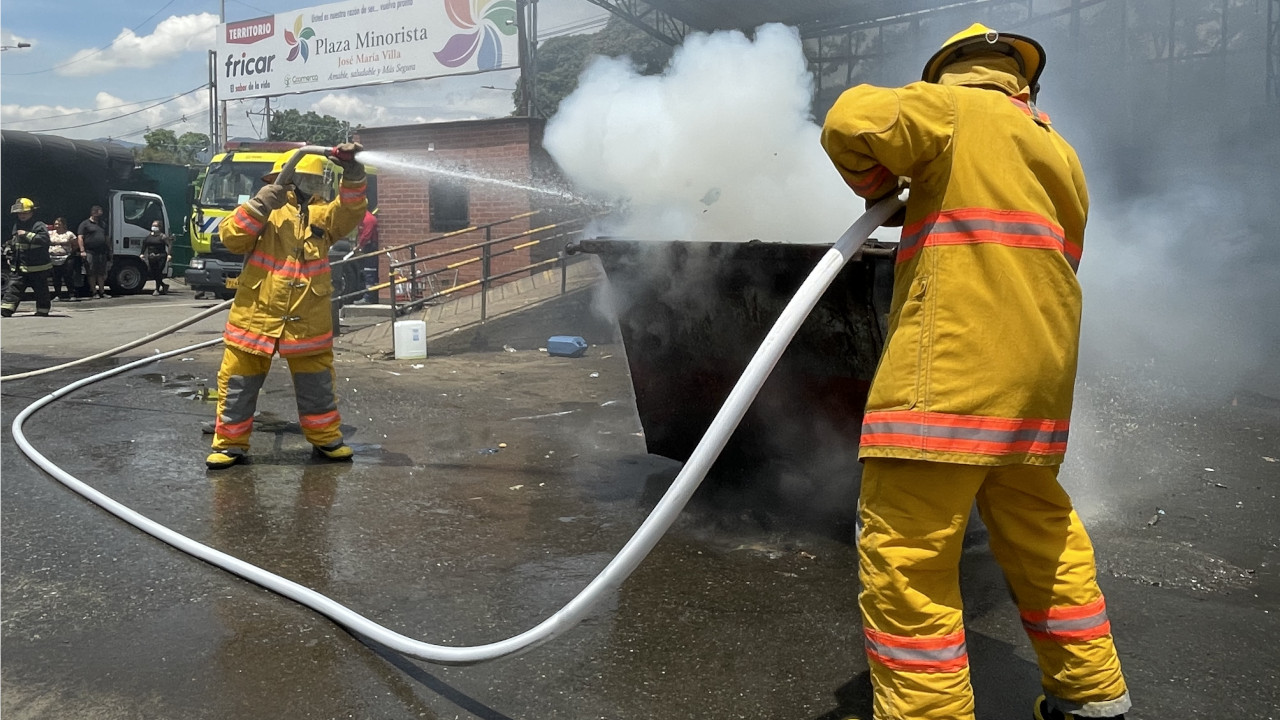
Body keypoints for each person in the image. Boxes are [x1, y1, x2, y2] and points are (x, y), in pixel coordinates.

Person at [820, 23, 1129, 720]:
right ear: (1024, 83)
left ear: (947, 74)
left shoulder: (951, 110)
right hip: (1036, 389)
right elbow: (1062, 257)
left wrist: (880, 183)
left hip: (951, 377)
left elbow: (850, 120)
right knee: (1043, 538)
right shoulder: (1059, 153)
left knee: (907, 559)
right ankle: (1092, 696)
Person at [205, 143, 368, 469]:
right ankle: (230, 444)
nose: (317, 185)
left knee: (317, 386)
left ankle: (326, 439)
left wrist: (353, 175)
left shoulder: (323, 215)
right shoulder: (265, 210)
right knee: (238, 384)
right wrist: (260, 204)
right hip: (256, 320)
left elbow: (350, 211)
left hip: (307, 322)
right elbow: (231, 237)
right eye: (310, 178)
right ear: (289, 180)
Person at [3, 198, 53, 317]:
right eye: (20, 213)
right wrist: (9, 248)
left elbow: (45, 240)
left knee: (41, 290)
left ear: (32, 212)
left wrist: (26, 235)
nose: (22, 215)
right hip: (20, 265)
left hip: (38, 266)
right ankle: (6, 309)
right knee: (13, 288)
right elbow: (16, 242)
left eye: (25, 213)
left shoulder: (38, 225)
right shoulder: (17, 225)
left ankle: (43, 310)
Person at [77, 204, 111, 298]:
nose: (100, 215)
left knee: (101, 273)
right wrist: (82, 250)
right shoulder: (85, 224)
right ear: (93, 212)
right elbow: (80, 237)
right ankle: (94, 292)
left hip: (102, 252)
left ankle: (102, 292)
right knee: (91, 273)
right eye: (99, 213)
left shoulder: (103, 224)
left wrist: (109, 249)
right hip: (90, 252)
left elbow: (106, 237)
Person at [47, 217, 79, 301]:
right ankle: (58, 295)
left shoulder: (69, 234)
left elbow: (76, 244)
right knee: (56, 277)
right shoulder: (50, 233)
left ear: (64, 225)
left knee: (68, 276)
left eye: (59, 224)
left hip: (66, 258)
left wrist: (71, 252)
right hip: (53, 258)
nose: (57, 226)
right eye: (56, 224)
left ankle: (72, 294)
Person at [140, 220, 173, 295]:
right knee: (153, 273)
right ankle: (164, 285)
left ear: (159, 227)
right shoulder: (149, 236)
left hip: (160, 256)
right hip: (151, 257)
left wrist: (169, 254)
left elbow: (169, 245)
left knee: (158, 272)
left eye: (155, 226)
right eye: (153, 225)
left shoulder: (162, 236)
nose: (153, 227)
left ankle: (157, 289)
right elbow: (144, 244)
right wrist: (142, 253)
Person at [354, 209, 379, 304]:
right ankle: (370, 296)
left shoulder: (368, 219)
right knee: (368, 272)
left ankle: (369, 298)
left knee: (370, 272)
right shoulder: (362, 219)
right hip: (367, 248)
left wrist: (359, 246)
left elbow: (366, 235)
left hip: (371, 248)